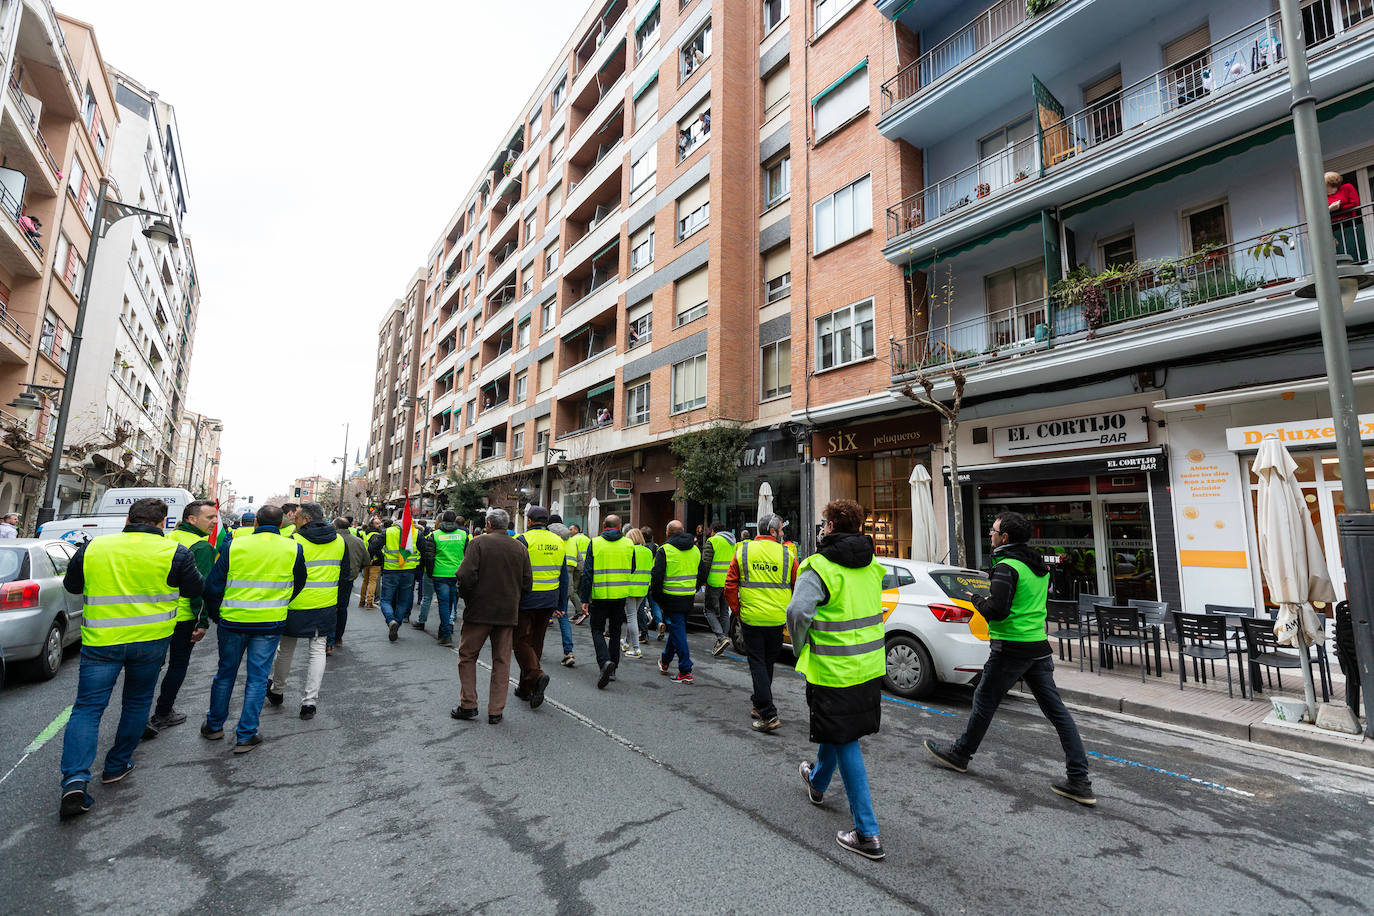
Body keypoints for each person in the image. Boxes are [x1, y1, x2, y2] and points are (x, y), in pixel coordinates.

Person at [924, 510, 1095, 807]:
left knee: (983, 702)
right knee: (1058, 714)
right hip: (1037, 648)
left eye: (993, 531)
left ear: (1005, 537)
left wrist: (973, 598)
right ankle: (1079, 780)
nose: (989, 534)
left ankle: (960, 754)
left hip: (1011, 648)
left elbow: (996, 610)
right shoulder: (1038, 567)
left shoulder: (1006, 566)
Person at [57, 498, 203, 819]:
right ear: (163, 522)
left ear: (128, 518)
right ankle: (116, 765)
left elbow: (72, 585)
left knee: (87, 709)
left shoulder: (94, 547)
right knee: (136, 703)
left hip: (101, 641)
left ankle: (75, 781)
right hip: (149, 643)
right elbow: (195, 589)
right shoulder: (175, 552)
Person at [789, 499, 887, 861]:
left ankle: (868, 832)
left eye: (824, 523)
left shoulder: (819, 565)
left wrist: (799, 648)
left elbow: (798, 611)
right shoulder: (873, 564)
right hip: (869, 666)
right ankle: (817, 782)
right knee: (840, 729)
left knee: (846, 740)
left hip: (834, 668)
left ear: (830, 527)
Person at [201, 504, 305, 755]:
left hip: (233, 620)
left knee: (225, 673)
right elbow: (299, 582)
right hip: (270, 621)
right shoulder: (293, 547)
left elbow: (213, 585)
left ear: (256, 522)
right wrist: (281, 602)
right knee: (258, 678)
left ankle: (214, 725)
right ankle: (246, 734)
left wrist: (217, 614)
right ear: (281, 524)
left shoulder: (234, 545)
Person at [268, 503, 350, 720]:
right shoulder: (339, 541)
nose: (292, 520)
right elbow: (345, 575)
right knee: (317, 650)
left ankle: (277, 691)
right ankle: (309, 703)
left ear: (305, 519)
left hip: (295, 606)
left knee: (285, 649)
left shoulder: (294, 541)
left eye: (295, 517)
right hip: (325, 606)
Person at [452, 509, 531, 724]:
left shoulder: (478, 544)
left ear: (488, 524)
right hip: (507, 613)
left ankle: (468, 704)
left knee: (467, 656)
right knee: (502, 660)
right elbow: (527, 583)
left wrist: (467, 597)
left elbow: (465, 575)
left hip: (479, 611)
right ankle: (496, 710)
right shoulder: (520, 548)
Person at [147, 500, 219, 731]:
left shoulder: (166, 539)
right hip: (185, 617)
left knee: (151, 667)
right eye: (209, 518)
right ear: (191, 519)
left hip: (157, 615)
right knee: (178, 666)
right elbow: (202, 587)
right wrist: (203, 621)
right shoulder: (202, 547)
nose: (215, 522)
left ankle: (138, 715)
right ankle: (163, 712)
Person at [726, 513, 798, 733]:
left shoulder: (743, 550)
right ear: (773, 531)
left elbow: (729, 585)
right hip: (777, 619)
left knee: (757, 662)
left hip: (752, 617)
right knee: (767, 662)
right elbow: (797, 585)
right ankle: (760, 705)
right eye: (781, 530)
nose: (784, 534)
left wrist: (737, 611)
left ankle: (767, 712)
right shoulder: (787, 554)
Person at [513, 505, 567, 709]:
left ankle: (536, 675)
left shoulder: (523, 540)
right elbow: (563, 575)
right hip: (549, 598)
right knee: (536, 642)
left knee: (519, 641)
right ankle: (525, 688)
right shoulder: (559, 541)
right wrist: (561, 603)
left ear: (529, 521)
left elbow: (515, 572)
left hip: (527, 598)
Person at [580, 514, 636, 689]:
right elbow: (632, 567)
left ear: (603, 525)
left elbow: (587, 572)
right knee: (615, 631)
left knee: (597, 630)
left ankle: (604, 662)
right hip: (620, 595)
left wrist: (584, 598)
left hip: (599, 595)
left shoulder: (595, 542)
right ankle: (612, 669)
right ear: (619, 526)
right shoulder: (628, 543)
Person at [654, 520, 701, 685]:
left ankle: (685, 670)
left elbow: (657, 577)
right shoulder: (695, 549)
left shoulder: (665, 550)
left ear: (668, 533)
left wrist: (658, 598)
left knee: (678, 631)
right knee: (677, 629)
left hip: (671, 596)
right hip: (688, 595)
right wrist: (693, 588)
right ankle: (665, 660)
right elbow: (701, 572)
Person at [419, 509, 468, 646]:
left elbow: (429, 557)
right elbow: (468, 555)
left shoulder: (435, 535)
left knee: (443, 603)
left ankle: (446, 633)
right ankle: (446, 627)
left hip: (440, 574)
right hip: (457, 574)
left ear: (442, 520)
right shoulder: (463, 535)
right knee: (452, 602)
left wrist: (430, 572)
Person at [374, 516, 419, 641]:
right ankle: (397, 623)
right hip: (409, 571)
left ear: (395, 524)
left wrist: (382, 559)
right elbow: (425, 551)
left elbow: (373, 547)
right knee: (403, 601)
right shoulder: (416, 533)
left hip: (391, 571)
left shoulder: (387, 532)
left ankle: (390, 620)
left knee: (385, 600)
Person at [330, 518, 368, 654]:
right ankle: (338, 638)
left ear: (335, 526)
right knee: (342, 608)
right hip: (349, 578)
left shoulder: (332, 539)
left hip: (330, 578)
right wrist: (357, 569)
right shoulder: (358, 541)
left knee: (329, 608)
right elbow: (366, 560)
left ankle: (328, 638)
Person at [700, 522, 737, 656]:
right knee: (724, 612)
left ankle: (721, 638)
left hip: (714, 582)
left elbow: (705, 563)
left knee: (709, 610)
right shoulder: (734, 542)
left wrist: (702, 580)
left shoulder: (713, 541)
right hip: (728, 583)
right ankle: (723, 639)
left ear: (714, 531)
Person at [549, 515, 577, 667]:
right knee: (564, 617)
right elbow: (580, 565)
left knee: (537, 618)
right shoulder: (572, 540)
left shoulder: (548, 538)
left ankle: (532, 650)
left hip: (547, 584)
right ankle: (569, 652)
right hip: (567, 584)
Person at [623, 527, 653, 659]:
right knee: (633, 616)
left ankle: (636, 649)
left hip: (630, 587)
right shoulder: (648, 551)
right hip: (643, 587)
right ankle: (626, 642)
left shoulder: (629, 550)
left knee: (631, 617)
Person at [1327, 170, 1368, 263]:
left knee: (1351, 245)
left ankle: (1355, 262)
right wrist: (1330, 208)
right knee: (1337, 248)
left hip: (1349, 223)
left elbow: (1355, 203)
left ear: (1332, 184)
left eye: (1326, 185)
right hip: (1333, 226)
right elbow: (1320, 210)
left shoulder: (1347, 188)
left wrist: (1339, 207)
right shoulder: (1324, 195)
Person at [639, 526, 664, 640]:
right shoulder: (658, 547)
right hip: (653, 581)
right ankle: (659, 623)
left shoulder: (641, 548)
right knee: (655, 605)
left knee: (641, 607)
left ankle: (643, 630)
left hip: (643, 581)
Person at [565, 524, 590, 623]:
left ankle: (581, 612)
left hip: (575, 568)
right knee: (579, 592)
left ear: (576, 530)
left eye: (571, 529)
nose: (569, 531)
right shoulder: (587, 539)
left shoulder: (573, 540)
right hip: (584, 568)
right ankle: (578, 613)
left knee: (572, 591)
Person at [359, 516, 383, 607]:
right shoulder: (376, 535)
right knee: (373, 581)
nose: (379, 525)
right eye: (377, 523)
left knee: (365, 581)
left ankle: (362, 601)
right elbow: (375, 548)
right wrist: (380, 559)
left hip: (366, 560)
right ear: (372, 524)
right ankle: (369, 602)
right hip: (374, 560)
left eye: (379, 523)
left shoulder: (367, 533)